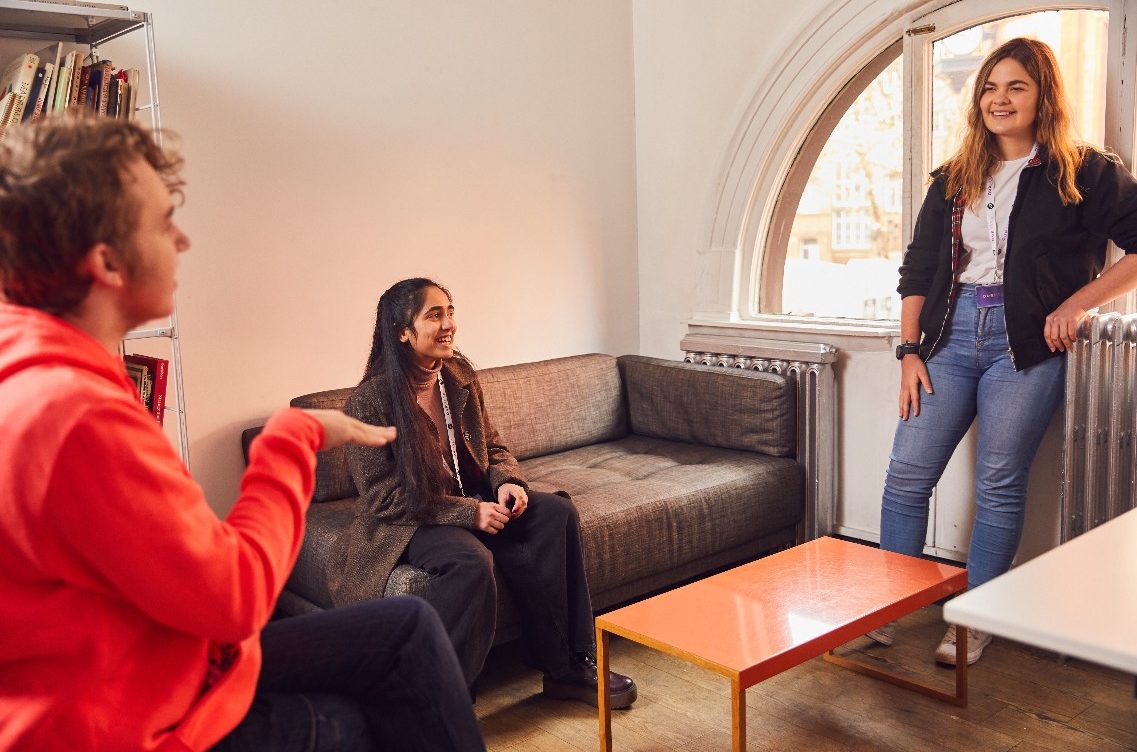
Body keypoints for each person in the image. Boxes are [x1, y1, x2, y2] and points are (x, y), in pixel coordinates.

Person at [0, 117, 485, 752]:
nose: (182, 240)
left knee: (407, 630)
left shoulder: (36, 357)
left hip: (153, 662)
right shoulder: (74, 414)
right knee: (355, 722)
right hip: (125, 716)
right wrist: (292, 437)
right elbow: (236, 599)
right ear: (107, 262)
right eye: (161, 221)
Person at [874, 37, 1137, 666]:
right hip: (949, 336)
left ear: (1043, 93)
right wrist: (910, 351)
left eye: (1016, 86)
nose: (1000, 99)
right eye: (990, 87)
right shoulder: (953, 177)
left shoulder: (1086, 172)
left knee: (998, 481)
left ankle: (973, 622)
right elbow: (917, 272)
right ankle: (879, 610)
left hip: (1028, 347)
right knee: (907, 477)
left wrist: (1079, 304)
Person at [328, 277, 638, 709]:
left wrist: (507, 482)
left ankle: (568, 667)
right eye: (434, 315)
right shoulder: (369, 403)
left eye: (450, 311)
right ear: (402, 331)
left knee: (556, 515)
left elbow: (493, 447)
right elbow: (380, 497)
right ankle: (445, 702)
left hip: (474, 497)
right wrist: (467, 514)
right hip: (414, 520)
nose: (448, 324)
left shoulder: (459, 376)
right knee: (472, 561)